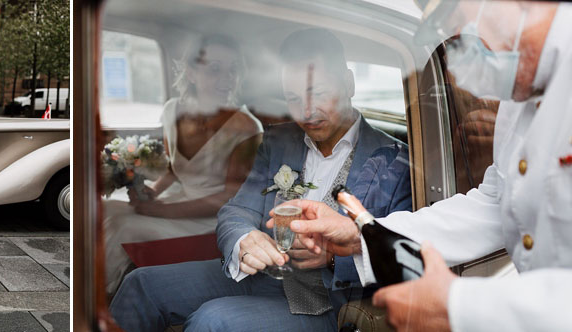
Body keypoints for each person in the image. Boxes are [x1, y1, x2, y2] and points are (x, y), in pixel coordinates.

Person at [287, 1, 572, 331]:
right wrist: (363, 236)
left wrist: (461, 307)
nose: (460, 53)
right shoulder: (516, 104)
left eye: (460, 28)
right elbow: (494, 204)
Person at [109, 28, 412, 332]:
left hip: (330, 301)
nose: (306, 111)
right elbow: (235, 210)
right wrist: (243, 240)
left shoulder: (396, 162)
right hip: (262, 275)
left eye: (318, 94)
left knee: (214, 319)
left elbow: (399, 257)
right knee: (140, 285)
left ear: (348, 83)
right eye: (293, 98)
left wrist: (332, 258)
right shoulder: (279, 141)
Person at [102, 35, 263, 294]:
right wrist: (152, 192)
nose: (227, 79)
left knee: (125, 226)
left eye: (233, 70)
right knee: (105, 208)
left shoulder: (246, 127)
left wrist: (160, 210)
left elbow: (230, 197)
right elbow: (173, 169)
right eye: (214, 70)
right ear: (190, 73)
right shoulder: (171, 111)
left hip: (214, 218)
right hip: (178, 199)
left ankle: (102, 298)